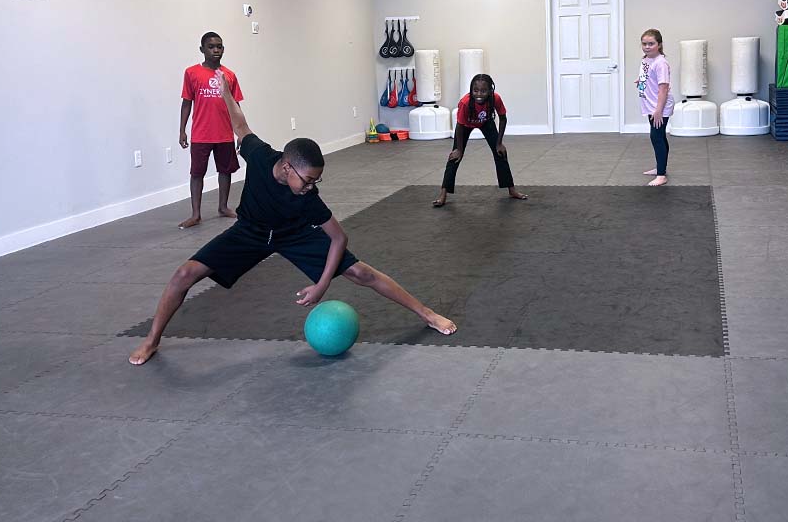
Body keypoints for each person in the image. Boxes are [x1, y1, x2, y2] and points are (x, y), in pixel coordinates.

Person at [129, 69, 456, 365]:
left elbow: (338, 238)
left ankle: (427, 313)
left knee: (361, 272)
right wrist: (226, 92)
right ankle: (152, 339)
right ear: (286, 167)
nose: (312, 186)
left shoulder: (307, 197)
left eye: (316, 180)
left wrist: (322, 285)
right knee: (184, 274)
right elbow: (240, 125)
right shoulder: (260, 157)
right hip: (250, 232)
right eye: (308, 179)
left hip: (294, 234)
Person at [432, 74, 528, 208]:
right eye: (475, 90)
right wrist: (459, 150)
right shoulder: (465, 103)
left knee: (500, 153)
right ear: (471, 90)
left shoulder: (495, 98)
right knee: (454, 157)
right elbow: (459, 126)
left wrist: (499, 143)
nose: (479, 94)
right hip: (465, 126)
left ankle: (512, 190)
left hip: (486, 122)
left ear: (490, 91)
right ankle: (443, 194)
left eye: (483, 91)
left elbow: (503, 118)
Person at [178, 32, 243, 229]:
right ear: (202, 49)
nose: (216, 50)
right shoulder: (191, 73)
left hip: (224, 134)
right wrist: (182, 130)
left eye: (219, 47)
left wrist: (241, 132)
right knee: (197, 173)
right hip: (201, 134)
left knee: (225, 171)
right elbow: (186, 103)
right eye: (211, 46)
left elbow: (236, 105)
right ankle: (195, 214)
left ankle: (223, 207)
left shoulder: (229, 75)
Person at [636, 29, 674, 187]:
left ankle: (661, 175)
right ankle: (660, 167)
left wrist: (658, 111)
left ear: (659, 44)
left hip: (659, 106)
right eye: (644, 44)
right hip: (650, 104)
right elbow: (648, 75)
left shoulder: (661, 63)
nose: (647, 47)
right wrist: (641, 81)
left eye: (651, 44)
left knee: (656, 137)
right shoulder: (646, 60)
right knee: (659, 136)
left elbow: (663, 88)